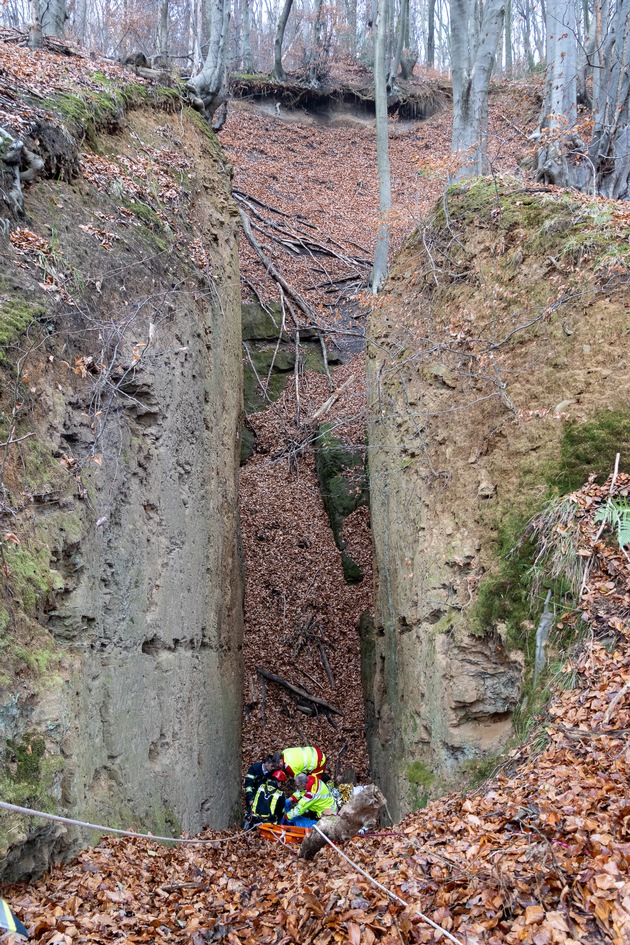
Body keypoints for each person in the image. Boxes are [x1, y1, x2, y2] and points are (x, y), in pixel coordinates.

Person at [243, 755, 276, 822]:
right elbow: (248, 785)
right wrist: (250, 798)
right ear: (266, 764)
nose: (273, 768)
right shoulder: (254, 769)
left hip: (264, 793)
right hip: (254, 791)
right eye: (272, 766)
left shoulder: (271, 772)